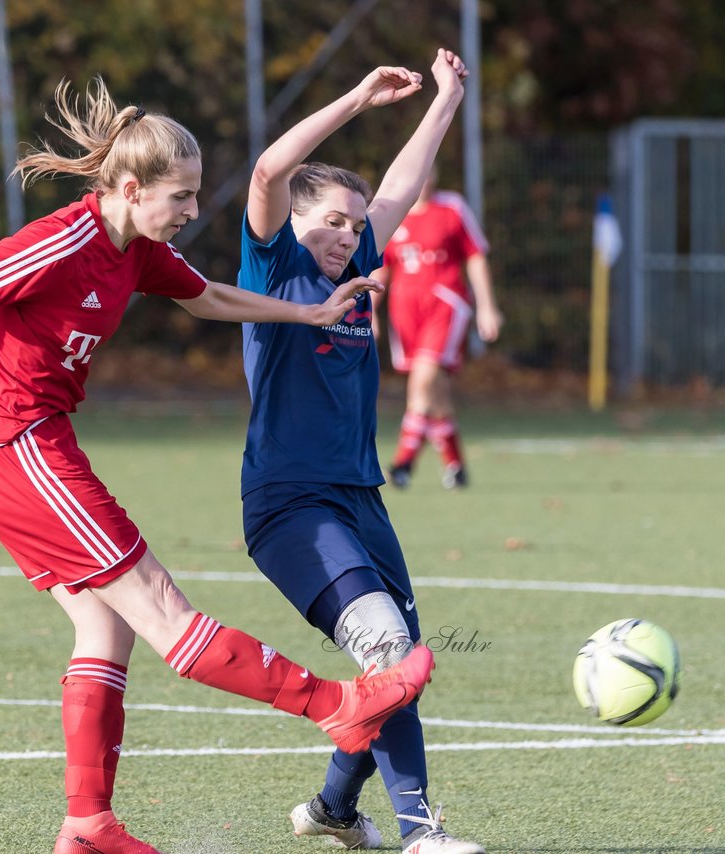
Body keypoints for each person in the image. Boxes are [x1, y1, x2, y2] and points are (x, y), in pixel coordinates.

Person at [0, 76, 435, 854]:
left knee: (104, 624)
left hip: (25, 446)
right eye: (180, 197)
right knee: (159, 606)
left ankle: (87, 824)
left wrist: (307, 311)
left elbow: (209, 296)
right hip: (11, 444)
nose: (190, 212)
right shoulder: (65, 239)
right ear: (129, 188)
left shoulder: (138, 250)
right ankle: (334, 703)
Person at [238, 51, 484, 854]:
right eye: (331, 222)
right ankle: (421, 835)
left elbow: (402, 189)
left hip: (361, 500)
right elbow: (273, 166)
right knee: (387, 649)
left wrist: (444, 99)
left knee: (398, 667)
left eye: (353, 223)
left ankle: (335, 808)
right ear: (294, 225)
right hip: (290, 507)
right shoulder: (274, 266)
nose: (346, 234)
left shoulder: (361, 262)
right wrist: (359, 96)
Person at [370, 167, 501, 490]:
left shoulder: (451, 208)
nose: (423, 179)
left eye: (428, 173)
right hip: (405, 311)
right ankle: (456, 466)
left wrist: (487, 306)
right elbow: (380, 269)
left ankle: (402, 463)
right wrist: (368, 311)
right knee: (436, 392)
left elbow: (475, 256)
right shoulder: (391, 213)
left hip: (445, 304)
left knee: (423, 381)